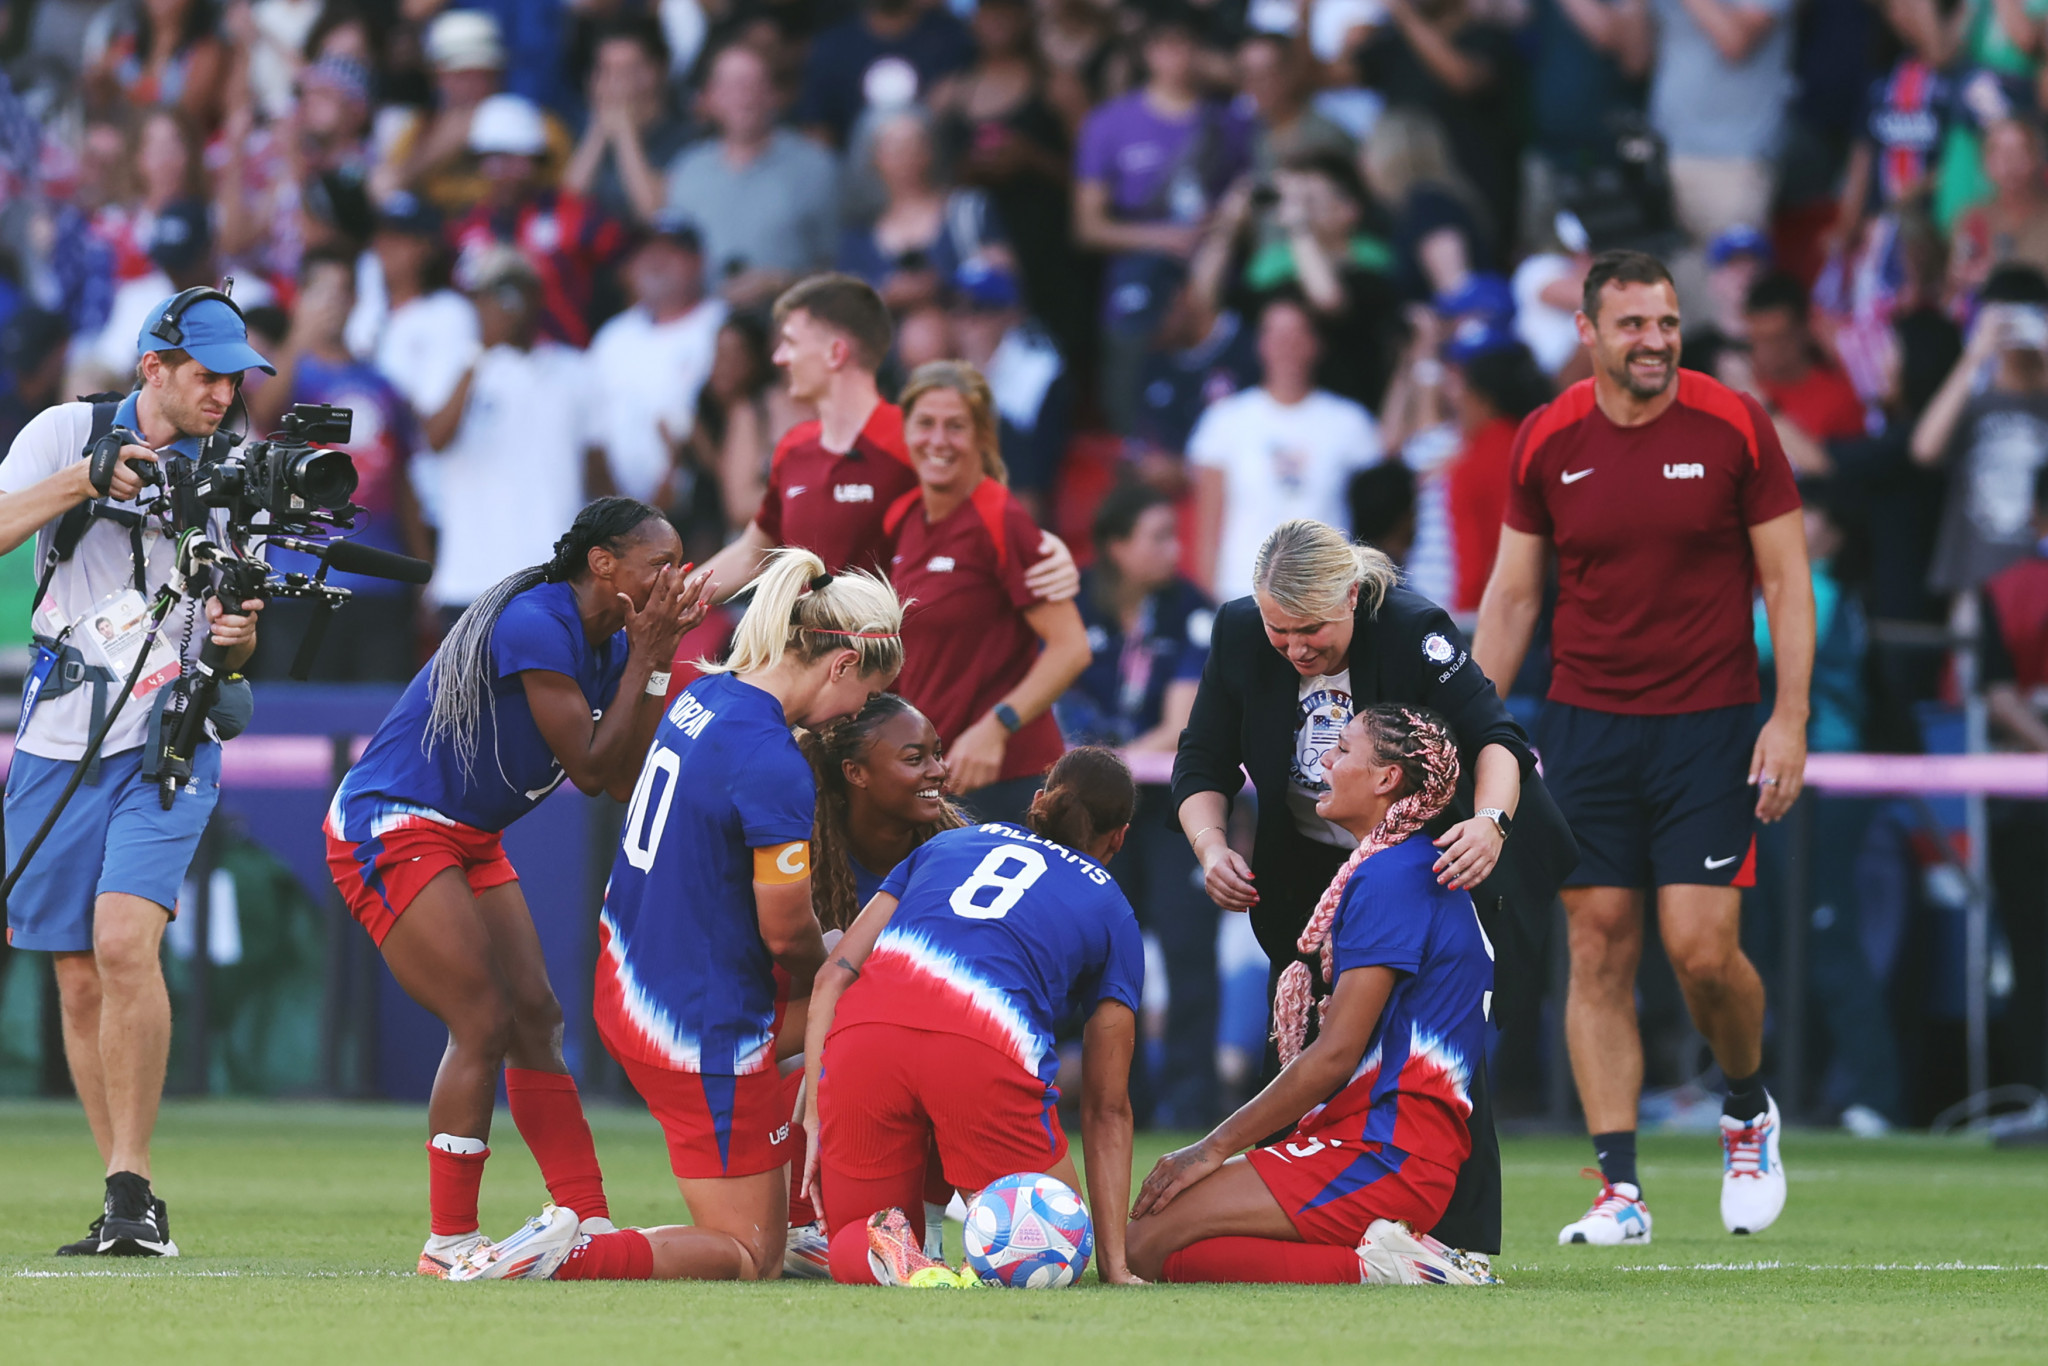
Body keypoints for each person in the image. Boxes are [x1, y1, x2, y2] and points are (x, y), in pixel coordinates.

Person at [1472, 248, 1812, 1245]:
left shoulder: (1733, 424)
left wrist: (1787, 717)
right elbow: (1512, 597)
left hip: (1709, 723)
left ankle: (1745, 1106)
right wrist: (1467, 729)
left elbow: (1787, 582)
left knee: (1700, 953)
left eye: (1664, 322)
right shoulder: (1544, 439)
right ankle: (1617, 1188)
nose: (1654, 341)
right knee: (1596, 943)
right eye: (1631, 325)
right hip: (1584, 724)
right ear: (1586, 333)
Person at [450, 549, 904, 1283]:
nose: (856, 716)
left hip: (632, 983)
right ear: (842, 665)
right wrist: (836, 972)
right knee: (746, 1254)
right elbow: (786, 931)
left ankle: (806, 1216)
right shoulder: (770, 756)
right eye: (867, 694)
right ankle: (573, 1254)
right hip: (696, 1025)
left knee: (867, 1007)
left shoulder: (708, 696)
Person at [1172, 517, 1576, 1265]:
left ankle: (1458, 1249)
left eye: (1312, 629)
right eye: (1278, 629)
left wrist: (1489, 825)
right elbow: (1201, 762)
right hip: (1305, 875)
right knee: (1294, 1036)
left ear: (1353, 598)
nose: (1295, 647)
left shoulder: (1415, 630)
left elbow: (1497, 738)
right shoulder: (1235, 633)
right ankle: (1299, 1221)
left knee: (1436, 1052)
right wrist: (1211, 845)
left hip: (1430, 862)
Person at [324, 497, 707, 1275]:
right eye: (660, 564)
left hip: (467, 832)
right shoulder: (540, 621)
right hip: (394, 821)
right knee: (482, 1018)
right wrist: (648, 656)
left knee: (536, 1014)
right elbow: (593, 766)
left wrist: (655, 657)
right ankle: (448, 1243)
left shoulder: (610, 640)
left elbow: (624, 780)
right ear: (604, 563)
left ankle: (590, 1221)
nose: (676, 579)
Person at [2, 289, 271, 1256]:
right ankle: (121, 1184)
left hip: (171, 722)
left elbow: (238, 641)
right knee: (76, 976)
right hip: (60, 724)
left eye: (234, 376)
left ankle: (132, 1190)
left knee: (123, 944)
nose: (224, 392)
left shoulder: (244, 470)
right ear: (152, 367)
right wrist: (90, 479)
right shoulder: (67, 428)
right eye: (205, 373)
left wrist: (238, 640)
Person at [1131, 706, 1494, 1286]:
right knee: (1150, 1240)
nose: (1324, 760)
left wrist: (1210, 1148)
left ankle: (1396, 1268)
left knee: (1140, 1247)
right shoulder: (1403, 865)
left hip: (1383, 1153)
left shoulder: (1393, 875)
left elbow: (1335, 1054)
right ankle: (1385, 1260)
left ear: (1386, 778)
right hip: (1384, 1144)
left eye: (1344, 750)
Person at [798, 746, 1145, 1288]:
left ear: (1038, 801)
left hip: (866, 1037)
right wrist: (1115, 1265)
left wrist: (817, 1111)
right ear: (1119, 837)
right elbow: (1107, 1108)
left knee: (856, 1235)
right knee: (1055, 1243)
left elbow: (831, 976)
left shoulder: (946, 843)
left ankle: (898, 1253)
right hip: (981, 1049)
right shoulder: (1113, 907)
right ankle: (970, 1253)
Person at [694, 275, 1077, 609]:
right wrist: (674, 594)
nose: (777, 356)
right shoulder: (797, 447)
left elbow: (1001, 544)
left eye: (791, 342)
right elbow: (750, 554)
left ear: (836, 352)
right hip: (809, 656)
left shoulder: (919, 442)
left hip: (896, 668)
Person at [778, 693, 970, 1276]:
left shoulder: (961, 851)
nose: (937, 771)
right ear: (855, 774)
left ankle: (930, 1229)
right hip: (799, 1047)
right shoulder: (798, 854)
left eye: (937, 755)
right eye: (915, 758)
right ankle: (801, 1223)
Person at [1058, 482, 1220, 1126]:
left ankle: (1189, 1107)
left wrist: (1098, 757)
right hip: (1094, 814)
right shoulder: (1070, 604)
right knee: (1096, 955)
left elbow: (1181, 726)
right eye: (1158, 536)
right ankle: (1113, 1102)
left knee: (1188, 951)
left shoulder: (1193, 609)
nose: (1173, 549)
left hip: (1171, 810)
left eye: (1174, 535)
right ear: (1116, 546)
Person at [885, 361, 1092, 823]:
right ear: (905, 431)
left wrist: (996, 727)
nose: (938, 440)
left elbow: (1071, 648)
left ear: (981, 436)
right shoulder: (902, 517)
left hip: (1006, 779)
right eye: (926, 424)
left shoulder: (999, 517)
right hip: (935, 779)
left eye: (955, 426)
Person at [244, 248, 431, 682]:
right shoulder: (287, 373)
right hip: (299, 582)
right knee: (298, 730)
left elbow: (403, 484)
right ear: (301, 297)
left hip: (380, 583)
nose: (333, 302)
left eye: (342, 291)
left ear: (355, 301)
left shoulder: (382, 384)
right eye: (321, 291)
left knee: (377, 725)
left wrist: (422, 572)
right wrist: (299, 336)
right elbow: (261, 417)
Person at [419, 248, 595, 621]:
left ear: (536, 297)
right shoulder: (456, 365)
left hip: (552, 580)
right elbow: (435, 439)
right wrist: (480, 354)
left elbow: (599, 474)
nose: (504, 305)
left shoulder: (576, 370)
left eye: (512, 291)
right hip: (470, 583)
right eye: (492, 294)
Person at [1187, 296, 1381, 601]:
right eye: (1276, 335)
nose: (1286, 346)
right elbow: (1208, 522)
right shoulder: (1225, 419)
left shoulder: (1349, 421)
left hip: (1326, 595)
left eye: (1297, 334)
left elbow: (1380, 511)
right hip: (1242, 592)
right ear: (1260, 344)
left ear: (1316, 344)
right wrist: (1207, 599)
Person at [661, 44, 843, 310]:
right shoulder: (688, 169)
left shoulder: (815, 166)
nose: (744, 96)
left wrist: (779, 282)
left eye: (753, 84)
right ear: (710, 97)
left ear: (773, 94)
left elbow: (839, 269)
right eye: (731, 86)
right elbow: (672, 258)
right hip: (704, 325)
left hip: (789, 320)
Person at [448, 93, 629, 349]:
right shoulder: (465, 228)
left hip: (563, 359)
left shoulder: (572, 214)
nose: (507, 171)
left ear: (536, 162)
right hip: (486, 361)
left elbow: (627, 264)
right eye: (495, 159)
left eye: (519, 159)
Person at [1911, 265, 2048, 597]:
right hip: (1976, 577)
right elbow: (1924, 449)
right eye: (2005, 319)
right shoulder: (1971, 400)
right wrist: (1975, 355)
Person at [584, 217, 727, 506]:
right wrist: (618, 511)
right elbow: (592, 434)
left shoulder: (723, 325)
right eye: (644, 251)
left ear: (698, 262)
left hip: (702, 507)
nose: (654, 261)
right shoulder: (612, 336)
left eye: (670, 251)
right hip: (616, 512)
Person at [1642, 0, 1794, 246]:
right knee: (1671, 280)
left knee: (1731, 282)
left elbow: (1735, 42)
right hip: (1661, 156)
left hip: (1733, 162)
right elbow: (1635, 58)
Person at [562, 18, 692, 229]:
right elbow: (566, 208)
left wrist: (625, 133)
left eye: (627, 71)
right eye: (606, 70)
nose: (615, 83)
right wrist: (598, 131)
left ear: (656, 72)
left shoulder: (685, 137)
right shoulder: (583, 130)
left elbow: (655, 213)